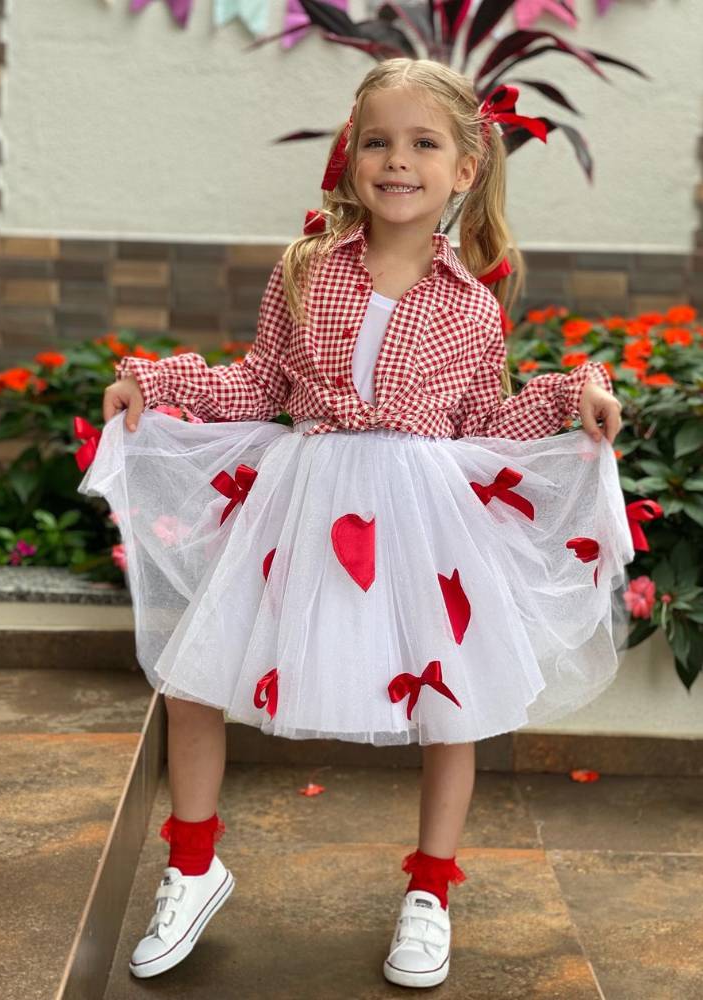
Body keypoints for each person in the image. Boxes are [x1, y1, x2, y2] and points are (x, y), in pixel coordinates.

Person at [79, 58, 631, 990]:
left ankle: (429, 892)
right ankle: (193, 864)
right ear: (351, 156)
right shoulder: (303, 270)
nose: (397, 160)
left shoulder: (471, 305)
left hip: (420, 518)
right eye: (378, 140)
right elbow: (256, 383)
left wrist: (575, 394)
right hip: (304, 503)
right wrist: (160, 382)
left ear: (464, 170)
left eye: (424, 143)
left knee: (450, 701)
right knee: (196, 675)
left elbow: (478, 425)